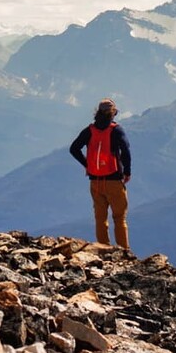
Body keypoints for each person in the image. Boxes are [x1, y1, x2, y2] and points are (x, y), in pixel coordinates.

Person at [69, 98, 132, 250]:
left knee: (100, 218)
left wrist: (87, 164)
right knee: (119, 218)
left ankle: (104, 249)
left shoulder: (89, 131)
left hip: (95, 181)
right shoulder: (116, 130)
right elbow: (126, 150)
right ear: (113, 113)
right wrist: (127, 171)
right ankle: (124, 251)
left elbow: (74, 148)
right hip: (114, 180)